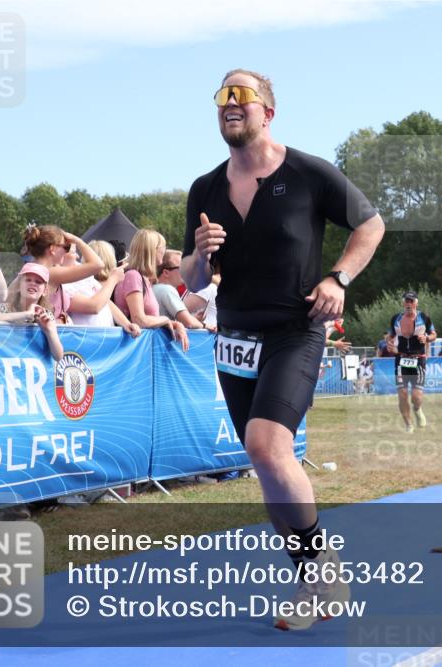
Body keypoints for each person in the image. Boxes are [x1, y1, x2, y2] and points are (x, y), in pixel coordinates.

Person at [178, 69, 384, 631]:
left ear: (269, 111)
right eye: (223, 96)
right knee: (267, 461)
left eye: (242, 95)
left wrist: (339, 279)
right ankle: (312, 579)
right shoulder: (205, 188)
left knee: (267, 445)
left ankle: (323, 572)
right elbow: (191, 276)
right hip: (234, 338)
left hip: (296, 328)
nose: (230, 103)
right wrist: (197, 253)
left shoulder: (309, 173)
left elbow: (371, 225)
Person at [116, 229, 189, 351]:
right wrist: (166, 320)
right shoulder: (133, 276)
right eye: (162, 247)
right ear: (152, 250)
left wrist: (174, 324)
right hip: (132, 351)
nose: (164, 251)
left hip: (140, 349)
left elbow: (148, 319)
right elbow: (139, 320)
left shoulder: (143, 278)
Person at [23, 224, 105, 323]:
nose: (67, 251)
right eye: (66, 247)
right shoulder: (50, 273)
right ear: (53, 249)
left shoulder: (33, 267)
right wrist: (77, 240)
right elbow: (98, 265)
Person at [0, 263, 64, 360]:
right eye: (28, 280)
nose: (33, 283)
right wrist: (25, 315)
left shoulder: (46, 315)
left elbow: (58, 356)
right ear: (18, 286)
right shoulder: (5, 307)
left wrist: (49, 330)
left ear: (45, 291)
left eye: (38, 282)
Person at [61, 240, 137, 333]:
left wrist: (126, 324)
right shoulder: (61, 283)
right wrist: (113, 279)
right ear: (60, 254)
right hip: (87, 340)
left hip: (103, 338)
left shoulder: (82, 273)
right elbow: (93, 307)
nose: (77, 256)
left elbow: (106, 301)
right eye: (73, 252)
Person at [387, 291, 436, 433]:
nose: (409, 304)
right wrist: (390, 344)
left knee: (416, 397)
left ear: (416, 303)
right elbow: (390, 336)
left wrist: (427, 338)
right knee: (402, 394)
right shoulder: (396, 318)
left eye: (412, 301)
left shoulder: (424, 318)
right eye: (406, 301)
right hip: (401, 359)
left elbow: (434, 334)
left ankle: (417, 409)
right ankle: (408, 425)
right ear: (403, 303)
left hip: (418, 359)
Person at [153, 249, 205, 330]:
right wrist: (205, 326)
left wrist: (193, 319)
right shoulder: (167, 289)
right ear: (166, 272)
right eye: (181, 267)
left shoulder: (154, 288)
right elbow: (189, 322)